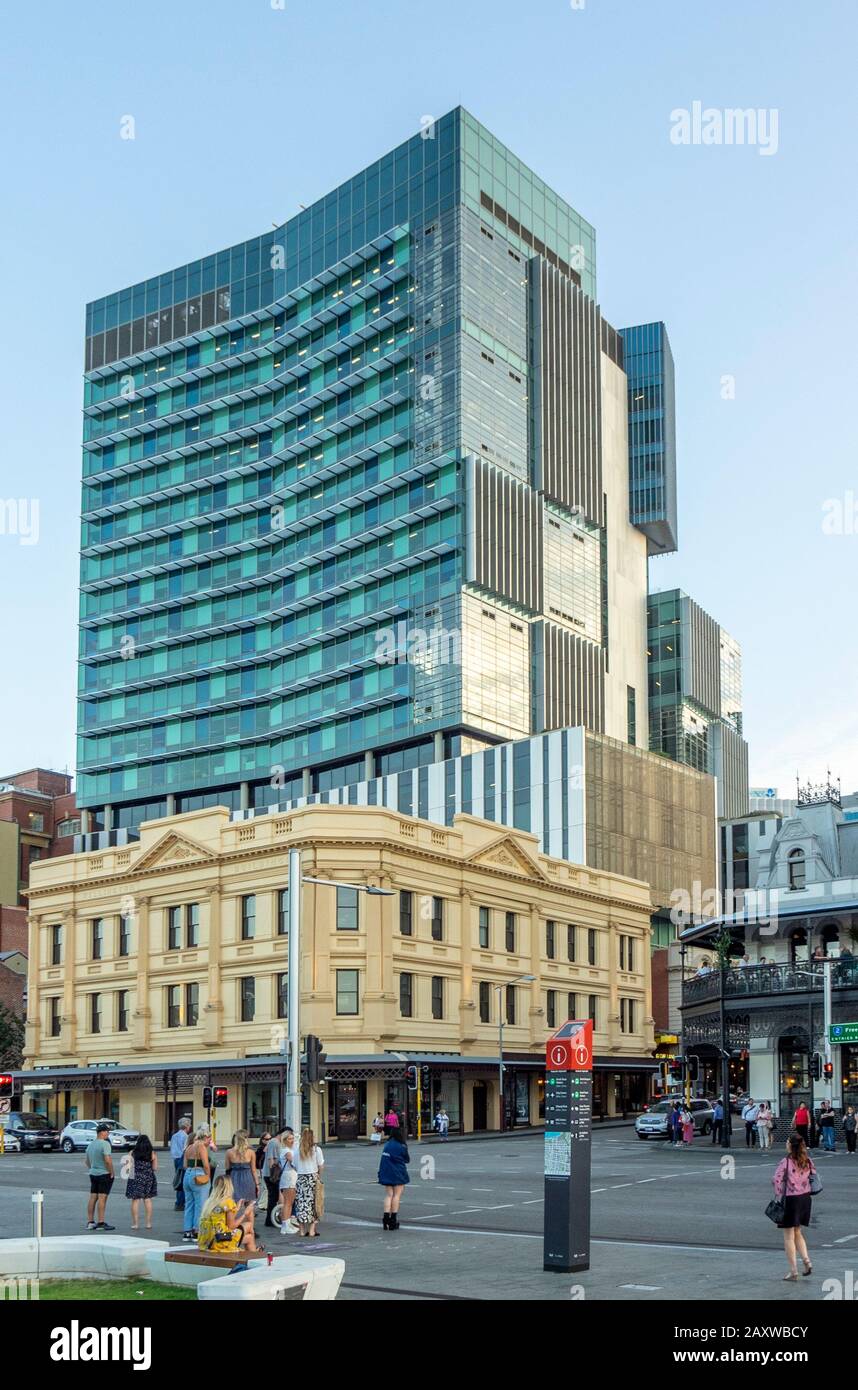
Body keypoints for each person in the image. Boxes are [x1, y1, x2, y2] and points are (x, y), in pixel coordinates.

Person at [771, 1133, 816, 1280]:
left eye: (787, 1142)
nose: (786, 1144)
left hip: (791, 1199)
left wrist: (778, 1197)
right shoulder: (807, 1160)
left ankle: (793, 1271)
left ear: (791, 1145)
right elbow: (813, 1176)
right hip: (805, 1198)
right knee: (798, 1231)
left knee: (788, 1237)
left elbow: (776, 1180)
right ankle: (807, 1261)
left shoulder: (786, 1161)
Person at [198, 1175, 260, 1254]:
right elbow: (231, 1226)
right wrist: (245, 1214)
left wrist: (236, 1209)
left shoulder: (209, 1202)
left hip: (207, 1242)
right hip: (220, 1241)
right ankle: (253, 1253)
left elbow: (222, 1219)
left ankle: (253, 1250)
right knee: (249, 1225)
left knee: (250, 1237)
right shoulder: (228, 1202)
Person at [181, 1124, 212, 1242]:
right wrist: (208, 1176)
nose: (210, 1141)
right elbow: (205, 1164)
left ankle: (187, 1232)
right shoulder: (201, 1147)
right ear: (205, 1137)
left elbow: (184, 1165)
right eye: (210, 1139)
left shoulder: (189, 1147)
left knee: (189, 1204)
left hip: (187, 1175)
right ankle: (197, 1231)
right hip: (198, 1175)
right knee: (200, 1204)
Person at [294, 1127, 325, 1237]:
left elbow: (294, 1165)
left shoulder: (297, 1150)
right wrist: (319, 1176)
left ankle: (302, 1230)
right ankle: (312, 1230)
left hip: (301, 1178)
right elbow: (321, 1165)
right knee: (315, 1203)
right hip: (312, 1177)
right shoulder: (316, 1150)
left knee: (301, 1204)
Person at [85, 1122, 116, 1231]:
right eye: (107, 1131)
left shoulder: (91, 1145)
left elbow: (87, 1161)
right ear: (101, 1132)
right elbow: (107, 1160)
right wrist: (111, 1172)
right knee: (102, 1198)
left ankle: (90, 1222)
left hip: (93, 1174)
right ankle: (101, 1222)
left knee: (93, 1197)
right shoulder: (105, 1144)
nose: (108, 1133)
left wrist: (92, 1168)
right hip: (104, 1174)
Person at [379, 1124, 410, 1229]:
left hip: (386, 1171)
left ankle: (385, 1219)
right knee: (396, 1196)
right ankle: (393, 1221)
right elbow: (407, 1159)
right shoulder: (401, 1145)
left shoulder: (387, 1144)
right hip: (398, 1173)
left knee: (388, 1195)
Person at [125, 1134, 158, 1230]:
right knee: (147, 1199)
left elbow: (127, 1168)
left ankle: (135, 1224)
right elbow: (155, 1168)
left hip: (135, 1177)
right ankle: (148, 1223)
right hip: (148, 1177)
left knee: (135, 1200)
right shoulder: (152, 1153)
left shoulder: (132, 1152)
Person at [225, 1130, 259, 1206]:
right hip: (248, 1178)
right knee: (249, 1205)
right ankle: (250, 1217)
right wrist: (257, 1184)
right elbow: (253, 1170)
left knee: (234, 1204)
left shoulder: (229, 1152)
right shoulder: (251, 1152)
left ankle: (233, 1218)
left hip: (234, 1178)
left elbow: (227, 1168)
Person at [261, 1128, 285, 1228]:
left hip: (270, 1174)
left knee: (273, 1197)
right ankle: (270, 1220)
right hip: (271, 1174)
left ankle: (270, 1219)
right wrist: (273, 1174)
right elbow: (271, 1158)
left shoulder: (275, 1142)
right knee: (273, 1197)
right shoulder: (274, 1142)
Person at [278, 1127, 298, 1234]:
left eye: (293, 1138)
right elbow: (293, 1162)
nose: (292, 1140)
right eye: (290, 1139)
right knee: (288, 1202)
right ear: (285, 1140)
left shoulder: (290, 1149)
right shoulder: (286, 1150)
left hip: (291, 1176)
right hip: (289, 1176)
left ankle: (288, 1223)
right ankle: (285, 1225)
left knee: (290, 1202)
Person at [170, 1117, 191, 1211]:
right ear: (186, 1126)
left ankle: (179, 1202)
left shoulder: (174, 1136)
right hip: (183, 1159)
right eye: (189, 1125)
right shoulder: (186, 1137)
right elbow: (186, 1149)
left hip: (176, 1159)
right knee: (183, 1181)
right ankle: (180, 1202)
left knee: (178, 1179)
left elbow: (173, 1149)